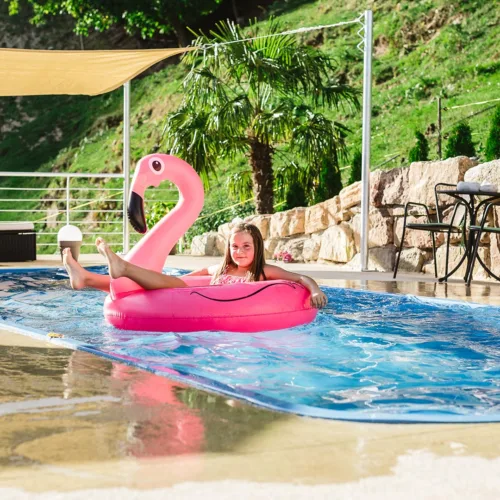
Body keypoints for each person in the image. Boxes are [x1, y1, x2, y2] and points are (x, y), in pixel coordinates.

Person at [63, 222, 327, 309]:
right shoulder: (223, 269)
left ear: (257, 247)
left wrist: (314, 291)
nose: (239, 251)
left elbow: (300, 278)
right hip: (192, 300)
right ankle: (86, 279)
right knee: (154, 286)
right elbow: (200, 273)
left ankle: (112, 271)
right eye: (234, 247)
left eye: (246, 246)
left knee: (165, 286)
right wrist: (183, 282)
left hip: (213, 310)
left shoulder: (261, 272)